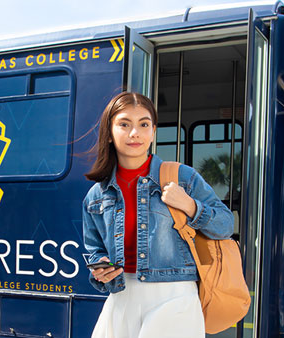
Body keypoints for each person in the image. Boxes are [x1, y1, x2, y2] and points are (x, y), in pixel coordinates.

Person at [81, 91, 234, 338]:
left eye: (144, 124)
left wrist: (190, 205)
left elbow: (226, 224)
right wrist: (100, 271)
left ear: (153, 131)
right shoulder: (96, 195)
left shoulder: (182, 177)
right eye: (124, 124)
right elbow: (95, 250)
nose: (135, 133)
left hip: (174, 297)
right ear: (109, 133)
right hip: (121, 297)